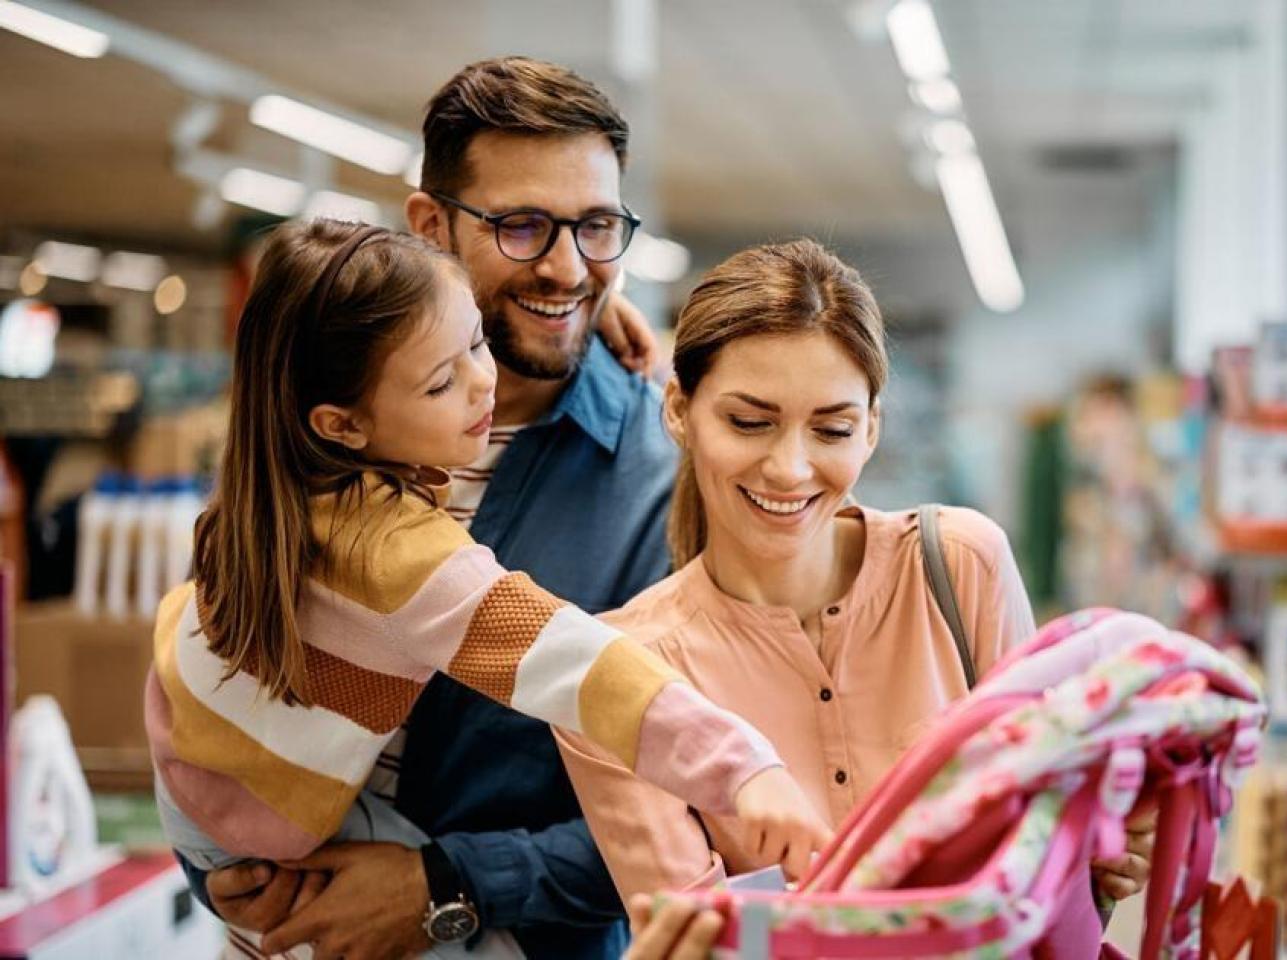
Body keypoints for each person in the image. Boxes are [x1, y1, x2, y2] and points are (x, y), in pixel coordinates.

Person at [149, 220, 831, 956]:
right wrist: (745, 770)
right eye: (441, 381)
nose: (485, 381)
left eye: (477, 342)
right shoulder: (396, 556)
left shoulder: (268, 493)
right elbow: (583, 667)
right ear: (341, 423)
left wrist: (600, 313)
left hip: (195, 776)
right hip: (264, 835)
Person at [187, 59, 685, 959]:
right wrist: (213, 859)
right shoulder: (323, 426)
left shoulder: (664, 483)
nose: (568, 268)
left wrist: (450, 885)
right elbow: (221, 669)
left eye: (596, 226)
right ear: (430, 225)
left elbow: (703, 813)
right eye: (523, 226)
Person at [558, 239, 1156, 916]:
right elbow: (697, 946)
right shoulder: (623, 675)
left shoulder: (961, 566)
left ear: (871, 428)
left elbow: (1046, 844)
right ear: (677, 409)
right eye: (749, 422)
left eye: (833, 429)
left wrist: (1098, 845)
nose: (789, 468)